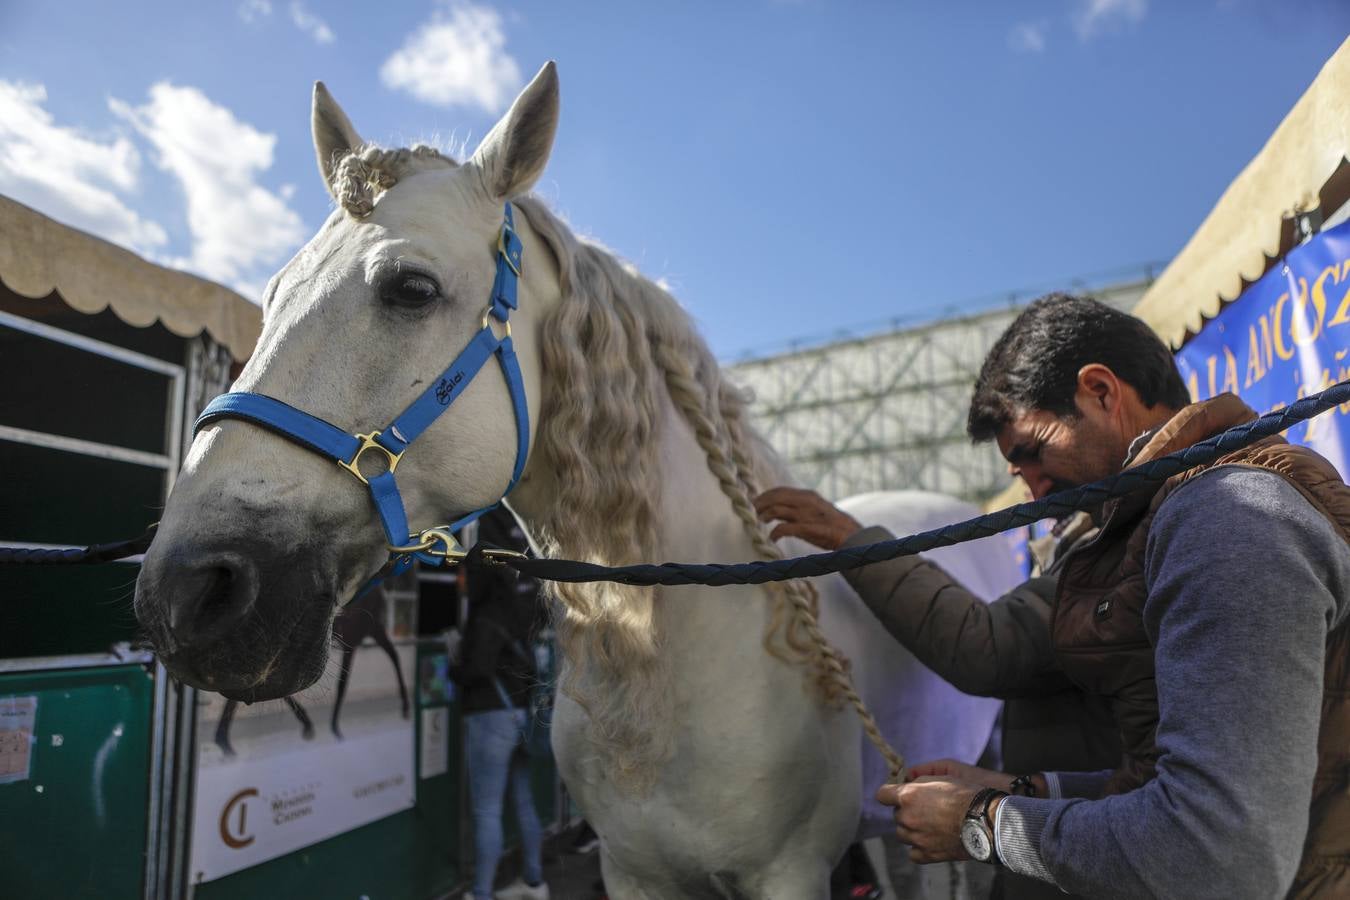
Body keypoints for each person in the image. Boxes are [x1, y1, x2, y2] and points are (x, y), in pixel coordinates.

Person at [756, 294, 1350, 899]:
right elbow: (1167, 791)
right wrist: (1024, 791)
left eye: (1034, 452)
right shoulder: (1157, 524)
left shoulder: (1227, 520)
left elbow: (1218, 855)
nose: (1038, 494)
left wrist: (980, 823)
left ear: (1100, 391)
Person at [450, 506, 550, 900]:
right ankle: (534, 880)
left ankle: (480, 892)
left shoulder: (488, 611)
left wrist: (453, 665)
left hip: (490, 713)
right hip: (525, 712)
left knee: (486, 810)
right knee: (523, 801)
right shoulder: (526, 606)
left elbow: (476, 668)